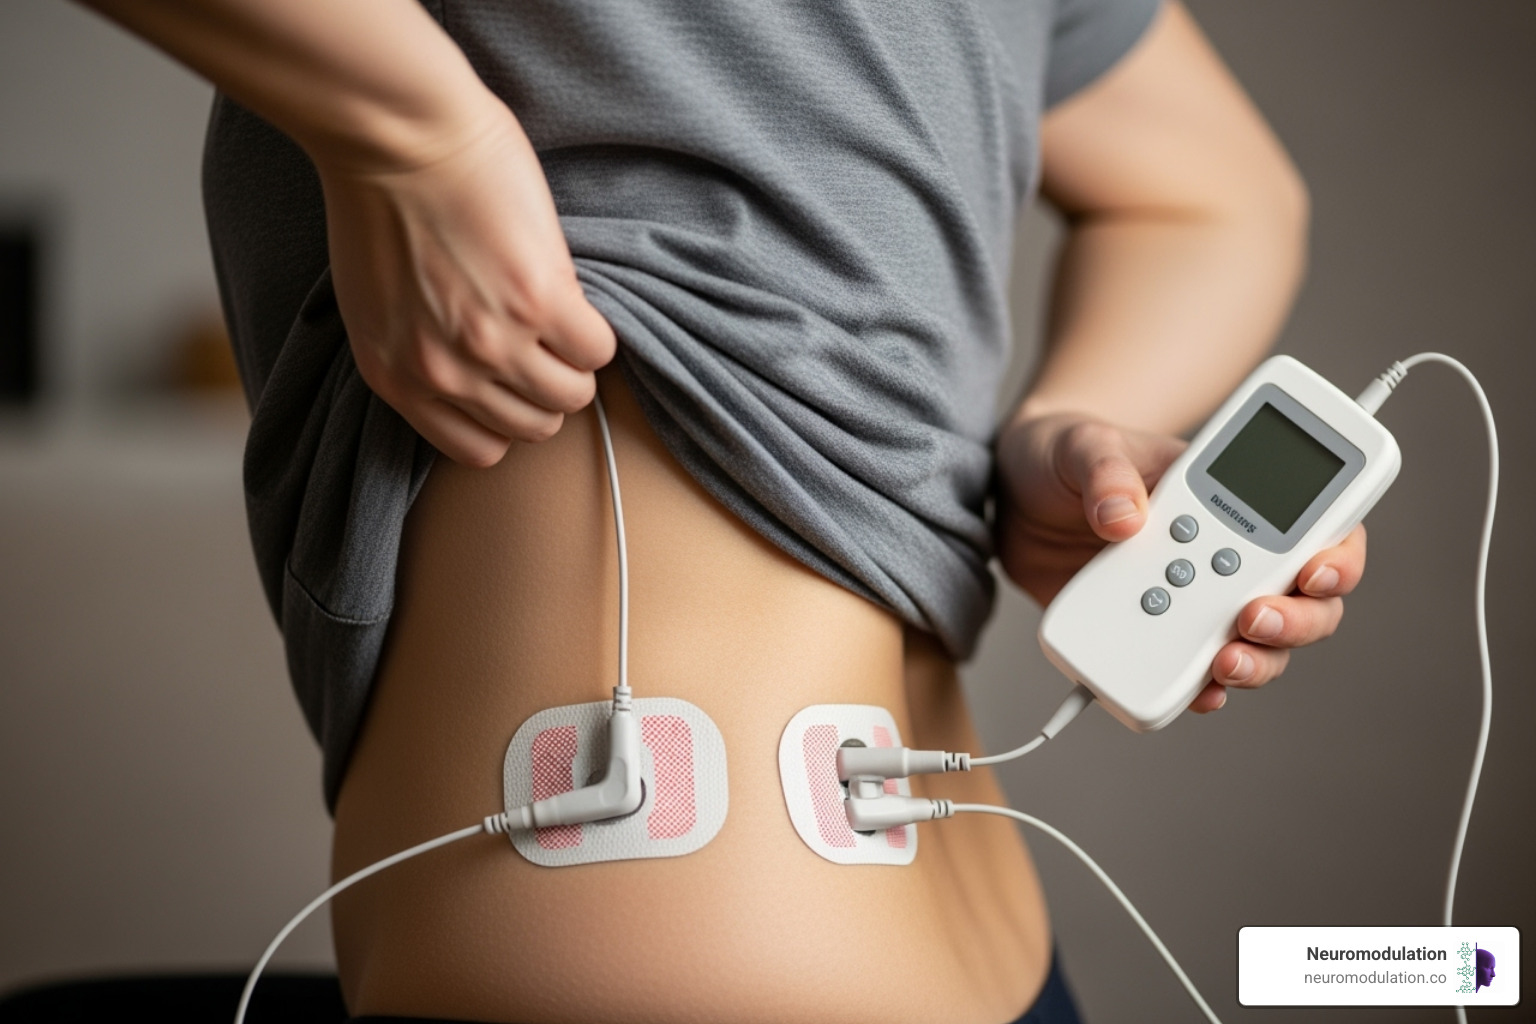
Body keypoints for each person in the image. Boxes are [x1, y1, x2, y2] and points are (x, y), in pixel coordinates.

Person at [76, 1, 1369, 1021]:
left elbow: (1215, 191)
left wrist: (1063, 424)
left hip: (993, 963)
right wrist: (412, 131)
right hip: (669, 932)